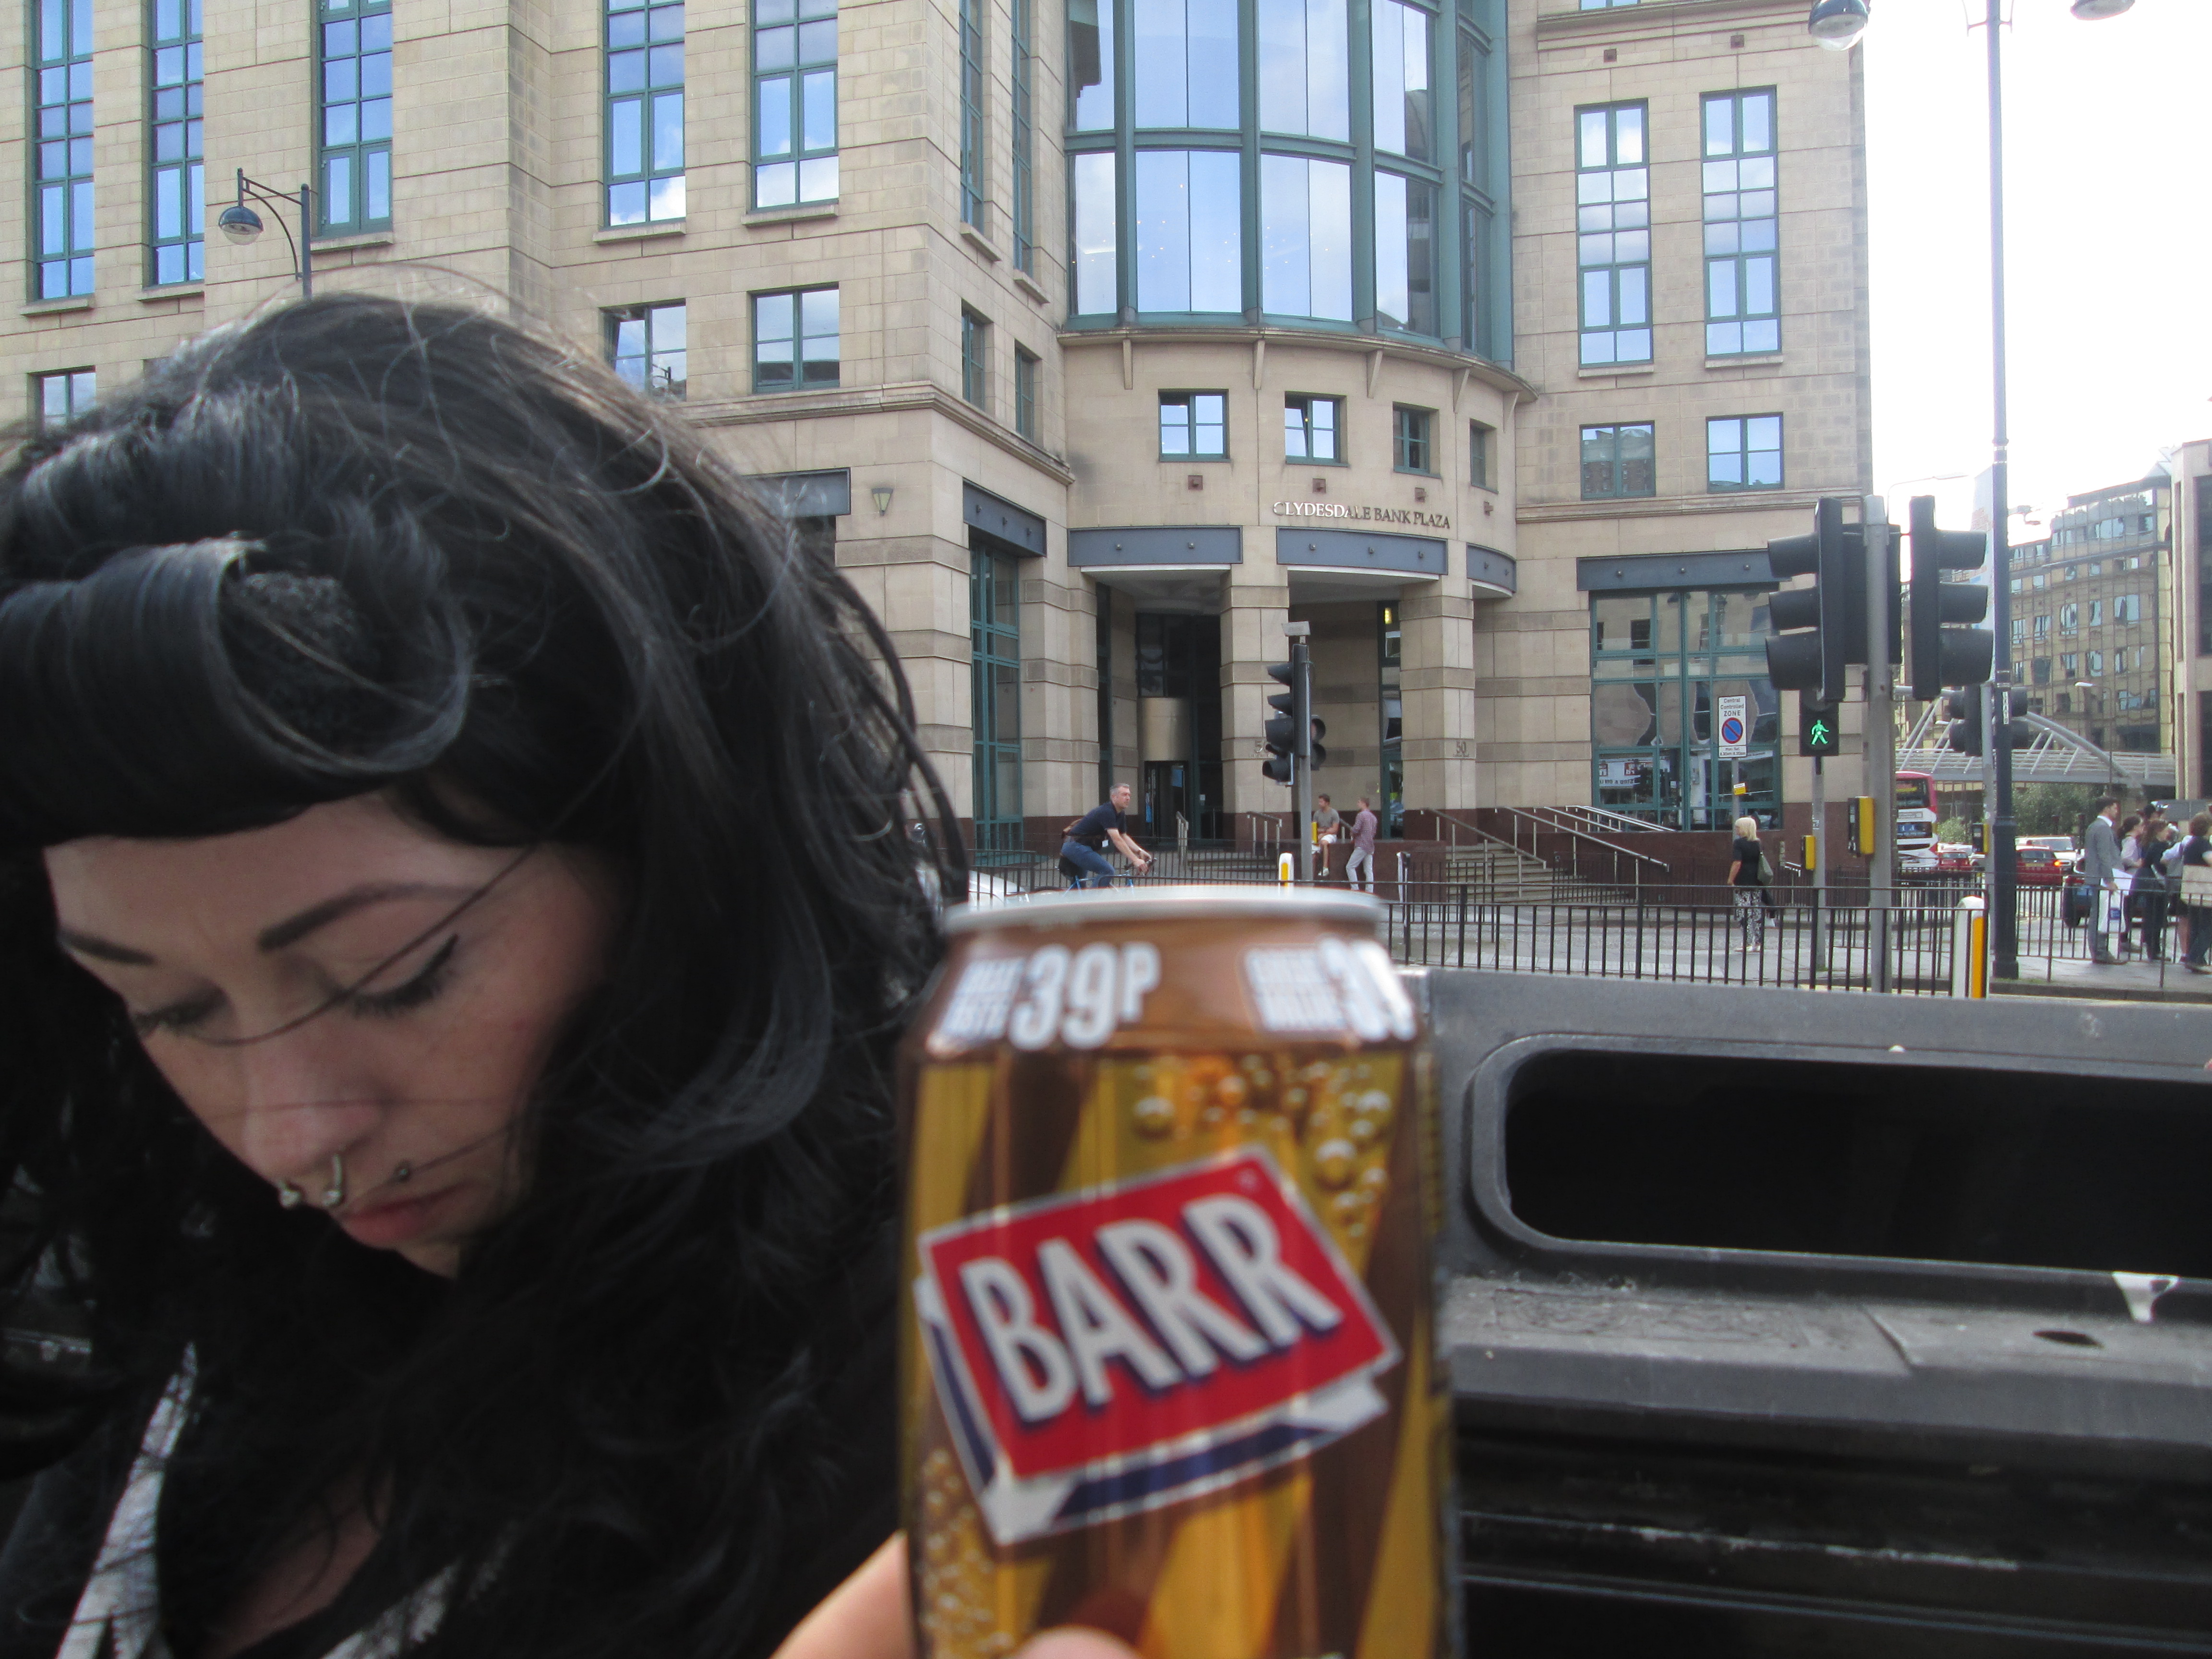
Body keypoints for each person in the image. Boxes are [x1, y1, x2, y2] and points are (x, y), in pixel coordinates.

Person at [0, 296, 1130, 1659]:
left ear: (674, 849)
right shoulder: (161, 1280)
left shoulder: (1006, 1373)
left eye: (396, 976)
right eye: (168, 1008)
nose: (290, 1136)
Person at [1061, 782, 1153, 889]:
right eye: (1124, 795)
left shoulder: (1120, 814)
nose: (1128, 798)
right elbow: (1117, 839)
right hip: (1075, 846)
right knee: (1107, 871)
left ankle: (1079, 899)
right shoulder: (1107, 812)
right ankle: (1094, 899)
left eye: (1129, 795)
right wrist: (1135, 860)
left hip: (1083, 848)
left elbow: (1123, 836)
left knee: (1079, 888)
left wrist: (1139, 851)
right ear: (1114, 797)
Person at [2083, 796, 2126, 965]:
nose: (2117, 811)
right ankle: (2100, 952)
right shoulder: (2103, 828)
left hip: (2097, 878)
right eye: (2115, 808)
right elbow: (2104, 856)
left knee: (2100, 915)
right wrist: (2109, 880)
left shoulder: (2095, 826)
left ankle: (2100, 951)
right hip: (2102, 880)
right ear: (2107, 809)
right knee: (2101, 916)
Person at [1726, 815, 1769, 954]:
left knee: (1744, 912)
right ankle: (1759, 942)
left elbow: (1737, 862)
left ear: (1744, 828)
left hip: (1743, 881)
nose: (1736, 830)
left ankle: (1748, 942)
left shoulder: (1739, 843)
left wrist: (1731, 879)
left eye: (1738, 827)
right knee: (1756, 911)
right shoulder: (1758, 843)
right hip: (1757, 880)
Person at [2177, 812, 2212, 974]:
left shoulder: (2191, 844)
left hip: (2192, 891)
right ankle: (2195, 958)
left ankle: (2195, 958)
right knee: (2208, 927)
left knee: (2197, 926)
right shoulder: (2203, 844)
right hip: (2205, 891)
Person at [1346, 797, 1379, 894]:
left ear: (1364, 803)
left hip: (1361, 844)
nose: (1358, 804)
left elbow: (1356, 829)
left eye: (1359, 802)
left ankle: (1355, 889)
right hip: (1370, 846)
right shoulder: (1373, 817)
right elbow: (1374, 832)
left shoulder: (1361, 815)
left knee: (1350, 867)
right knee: (1369, 870)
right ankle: (1370, 891)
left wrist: (1352, 832)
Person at [1312, 795, 1342, 881]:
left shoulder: (1334, 813)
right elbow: (1314, 828)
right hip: (1319, 835)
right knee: (1312, 849)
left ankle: (1325, 868)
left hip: (1331, 835)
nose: (1319, 804)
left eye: (1321, 802)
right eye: (1319, 802)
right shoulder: (1317, 814)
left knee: (1324, 842)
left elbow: (1335, 829)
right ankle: (1312, 871)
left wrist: (1324, 833)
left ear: (1327, 803)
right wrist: (1323, 830)